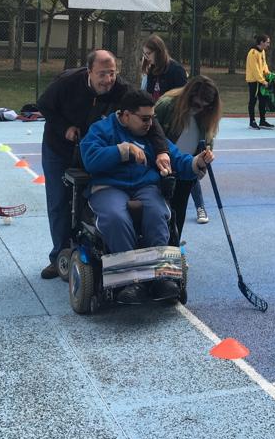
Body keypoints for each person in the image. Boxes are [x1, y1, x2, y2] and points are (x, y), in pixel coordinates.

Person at [36, 50, 172, 280]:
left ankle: (146, 269)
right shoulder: (67, 82)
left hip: (93, 146)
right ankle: (60, 256)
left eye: (112, 73)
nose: (108, 80)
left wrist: (161, 151)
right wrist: (64, 127)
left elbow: (149, 118)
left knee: (91, 200)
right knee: (60, 201)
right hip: (60, 147)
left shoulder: (121, 89)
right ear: (89, 72)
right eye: (102, 74)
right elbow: (44, 105)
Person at [80, 89, 214, 304]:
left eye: (152, 118)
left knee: (158, 212)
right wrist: (123, 150)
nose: (150, 124)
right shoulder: (101, 130)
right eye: (144, 119)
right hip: (109, 186)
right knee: (115, 217)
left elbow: (177, 159)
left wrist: (198, 162)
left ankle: (161, 278)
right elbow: (90, 159)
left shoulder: (151, 135)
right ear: (125, 116)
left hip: (145, 186)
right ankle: (130, 282)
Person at [154, 76, 222, 233]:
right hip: (163, 170)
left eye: (207, 106)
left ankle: (175, 250)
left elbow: (208, 139)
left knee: (178, 215)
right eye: (197, 104)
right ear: (188, 96)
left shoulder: (207, 115)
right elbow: (152, 134)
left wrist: (206, 156)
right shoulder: (167, 105)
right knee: (160, 215)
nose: (200, 109)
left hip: (187, 171)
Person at [141, 34, 187, 102]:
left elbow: (182, 97)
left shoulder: (177, 70)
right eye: (144, 54)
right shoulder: (152, 70)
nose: (146, 57)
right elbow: (148, 95)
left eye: (149, 53)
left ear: (159, 52)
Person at [245, 34, 274, 129]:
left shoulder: (262, 52)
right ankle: (252, 121)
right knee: (253, 100)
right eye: (267, 42)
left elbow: (264, 64)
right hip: (254, 81)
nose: (268, 44)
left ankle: (262, 121)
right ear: (261, 42)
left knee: (263, 100)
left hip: (261, 80)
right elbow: (255, 69)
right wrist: (262, 81)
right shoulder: (253, 53)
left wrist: (268, 73)